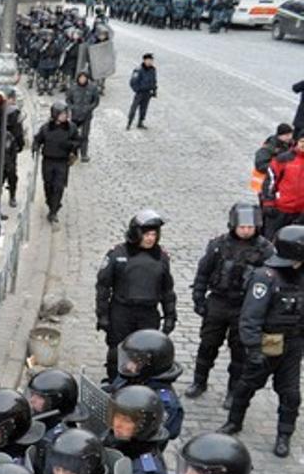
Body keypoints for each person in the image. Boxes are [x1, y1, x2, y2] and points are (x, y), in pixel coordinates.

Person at [221, 224, 304, 457]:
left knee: (291, 394)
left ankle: (284, 435)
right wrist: (255, 349)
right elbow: (250, 316)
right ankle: (234, 422)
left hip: (293, 343)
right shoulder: (265, 277)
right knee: (247, 384)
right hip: (269, 340)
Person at [186, 203, 273, 403]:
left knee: (239, 352)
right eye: (242, 227)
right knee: (208, 344)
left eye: (250, 227)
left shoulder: (265, 250)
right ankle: (199, 381)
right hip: (218, 301)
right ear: (233, 225)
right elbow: (204, 272)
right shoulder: (219, 245)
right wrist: (198, 298)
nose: (246, 230)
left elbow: (270, 281)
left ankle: (233, 391)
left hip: (245, 307)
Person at [95, 210, 176, 381]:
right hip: (122, 311)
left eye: (154, 234)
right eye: (146, 234)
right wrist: (102, 315)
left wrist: (170, 316)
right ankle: (114, 383)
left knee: (147, 353)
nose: (150, 239)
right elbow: (103, 287)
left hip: (148, 313)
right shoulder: (118, 254)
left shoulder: (161, 257)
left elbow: (167, 290)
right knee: (117, 352)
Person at [32, 101, 80, 223]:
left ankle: (53, 211)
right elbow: (38, 139)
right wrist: (35, 146)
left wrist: (70, 145)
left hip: (62, 162)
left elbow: (78, 141)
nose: (65, 116)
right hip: (48, 160)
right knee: (48, 185)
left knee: (59, 187)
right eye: (62, 114)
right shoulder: (46, 128)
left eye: (66, 114)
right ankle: (51, 203)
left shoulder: (71, 128)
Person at [67, 71, 100, 162]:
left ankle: (84, 154)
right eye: (81, 78)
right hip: (75, 115)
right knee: (73, 135)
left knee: (84, 136)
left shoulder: (92, 88)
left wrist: (89, 108)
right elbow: (68, 100)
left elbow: (96, 101)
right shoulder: (73, 88)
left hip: (86, 116)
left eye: (84, 78)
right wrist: (73, 108)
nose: (82, 80)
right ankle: (73, 153)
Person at [127, 52, 157, 130]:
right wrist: (137, 90)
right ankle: (129, 122)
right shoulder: (138, 70)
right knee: (134, 108)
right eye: (148, 60)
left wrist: (154, 90)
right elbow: (132, 82)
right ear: (144, 60)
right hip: (140, 92)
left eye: (151, 60)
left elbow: (154, 80)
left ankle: (140, 122)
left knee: (144, 108)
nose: (150, 62)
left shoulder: (153, 70)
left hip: (147, 93)